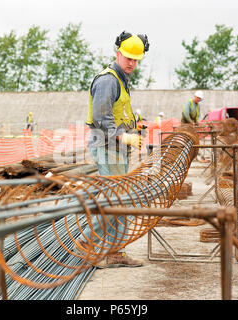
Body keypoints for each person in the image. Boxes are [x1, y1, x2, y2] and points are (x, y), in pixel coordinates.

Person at [75, 31, 150, 268]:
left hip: (115, 148)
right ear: (118, 54)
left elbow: (117, 112)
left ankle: (115, 252)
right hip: (106, 146)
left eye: (136, 59)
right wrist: (122, 135)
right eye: (128, 58)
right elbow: (100, 117)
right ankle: (86, 242)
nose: (132, 63)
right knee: (112, 199)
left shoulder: (121, 80)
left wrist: (132, 125)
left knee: (120, 201)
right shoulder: (108, 80)